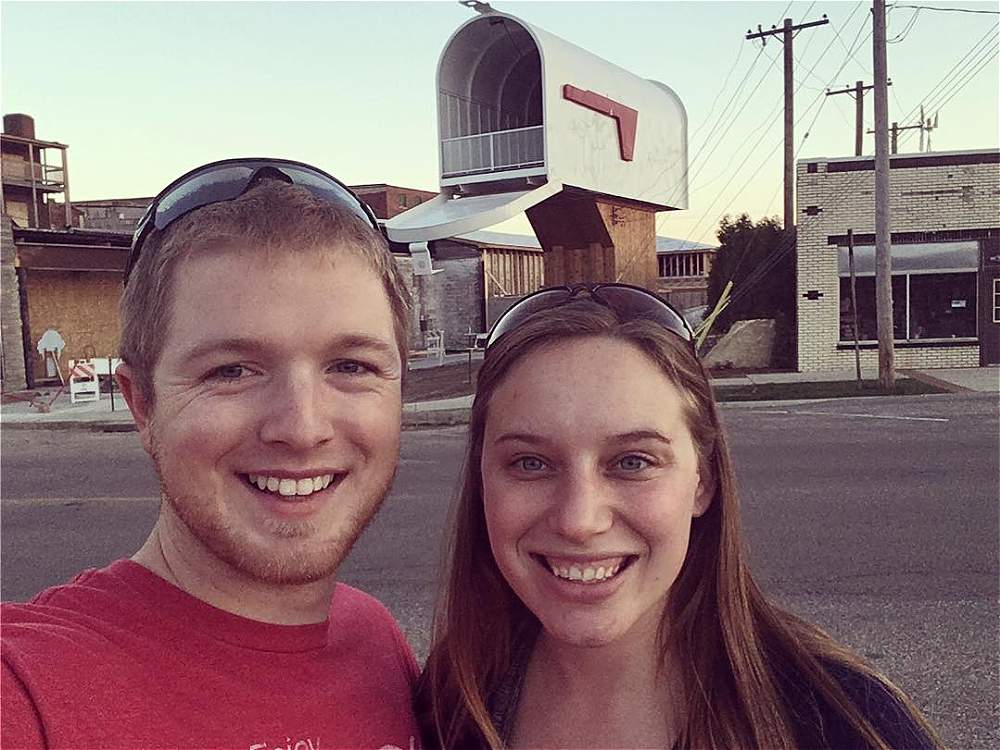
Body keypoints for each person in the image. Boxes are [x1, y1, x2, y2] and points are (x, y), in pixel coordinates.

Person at [2, 159, 421, 750]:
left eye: (350, 366)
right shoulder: (30, 688)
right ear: (142, 404)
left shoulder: (377, 641)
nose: (302, 428)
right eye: (231, 370)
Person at [417, 284, 942, 750]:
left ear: (703, 481)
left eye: (633, 462)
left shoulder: (846, 723)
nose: (579, 520)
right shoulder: (444, 706)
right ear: (481, 478)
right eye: (530, 463)